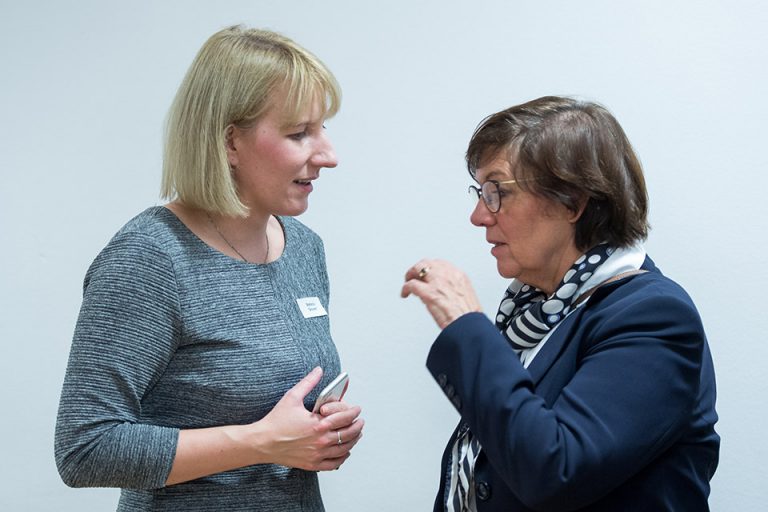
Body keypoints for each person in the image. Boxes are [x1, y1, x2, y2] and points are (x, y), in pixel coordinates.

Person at [55, 25, 363, 511]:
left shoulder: (304, 248)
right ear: (230, 143)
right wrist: (261, 441)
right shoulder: (150, 257)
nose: (328, 155)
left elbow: (280, 415)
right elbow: (84, 449)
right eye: (299, 133)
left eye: (323, 128)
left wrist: (319, 432)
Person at [401, 96, 718, 511]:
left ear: (572, 202)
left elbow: (554, 470)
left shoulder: (652, 315)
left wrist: (466, 324)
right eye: (481, 191)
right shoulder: (535, 311)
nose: (479, 215)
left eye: (497, 192)